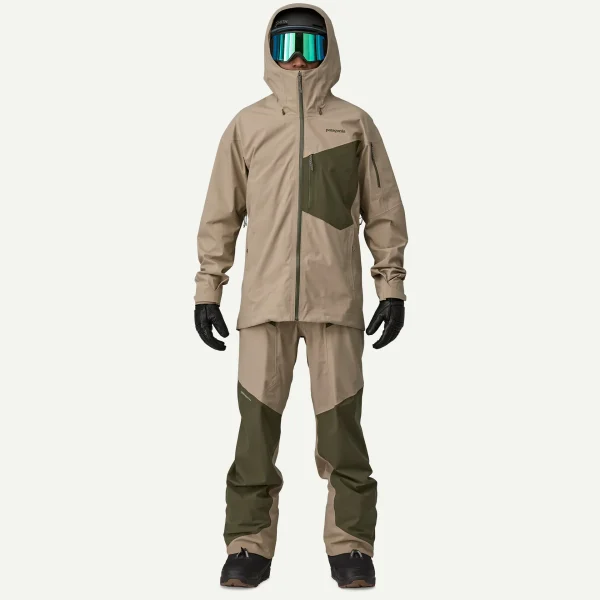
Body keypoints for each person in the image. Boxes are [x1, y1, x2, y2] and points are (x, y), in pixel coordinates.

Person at [194, 4, 408, 589]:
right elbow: (221, 214)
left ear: (328, 51)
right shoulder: (248, 126)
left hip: (334, 301)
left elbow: (383, 211)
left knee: (342, 431)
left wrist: (390, 286)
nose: (295, 59)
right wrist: (209, 288)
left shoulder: (354, 123)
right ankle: (247, 543)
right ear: (269, 51)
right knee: (255, 433)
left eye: (309, 47)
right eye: (285, 46)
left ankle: (351, 544)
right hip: (264, 303)